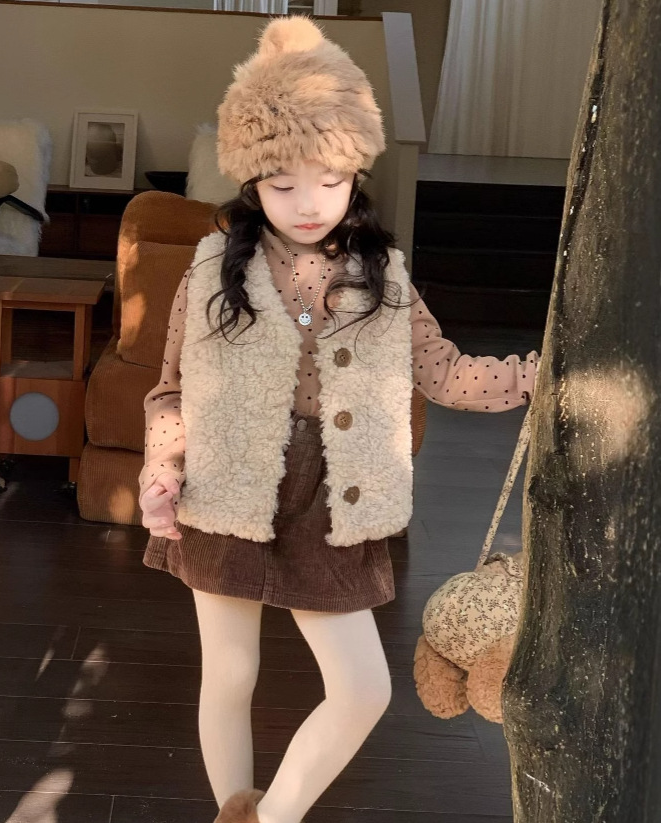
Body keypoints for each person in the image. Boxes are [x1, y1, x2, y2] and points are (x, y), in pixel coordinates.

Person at [138, 16, 540, 823]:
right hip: (226, 485)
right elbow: (171, 391)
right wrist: (161, 472)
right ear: (250, 180)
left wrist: (533, 375)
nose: (308, 203)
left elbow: (445, 371)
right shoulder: (211, 271)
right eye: (282, 183)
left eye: (329, 180)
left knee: (362, 688)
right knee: (229, 674)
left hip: (336, 495)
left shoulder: (382, 277)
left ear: (355, 172)